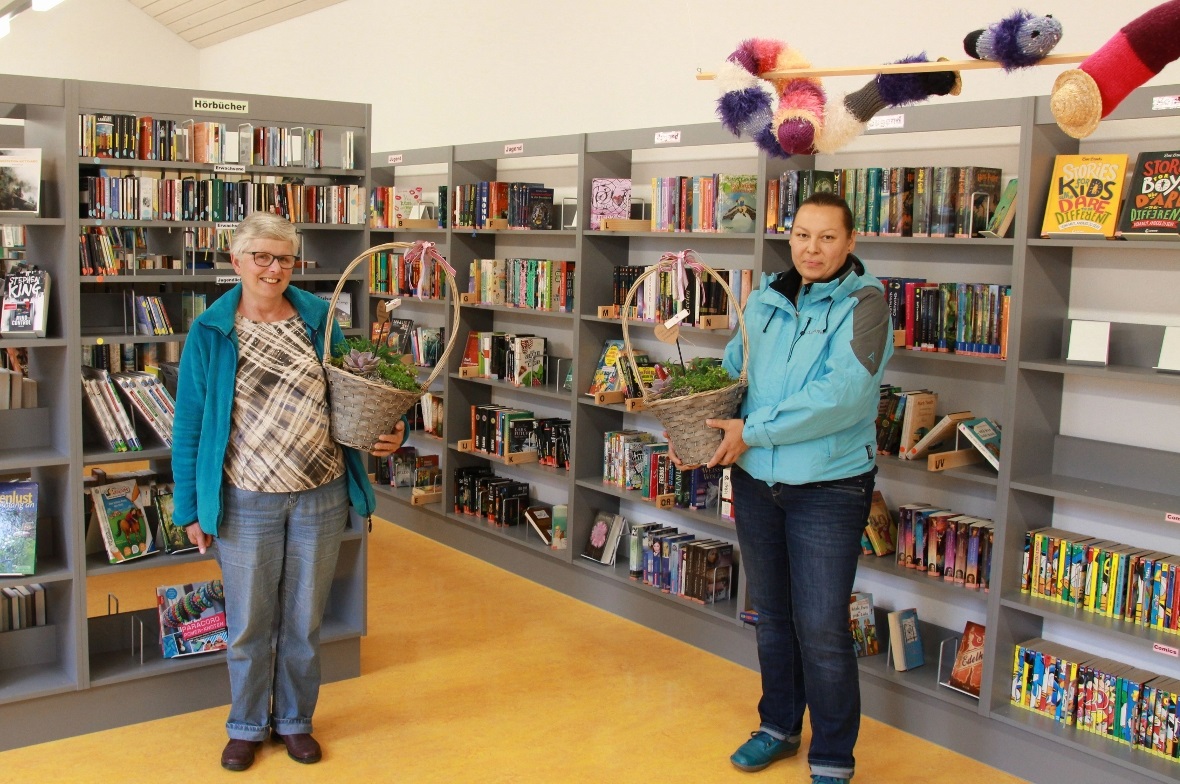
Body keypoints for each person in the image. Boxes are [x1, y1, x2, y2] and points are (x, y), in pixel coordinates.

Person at [172, 211, 405, 772]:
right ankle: (247, 724)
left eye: (285, 258)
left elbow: (358, 391)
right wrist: (189, 508)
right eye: (262, 257)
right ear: (236, 260)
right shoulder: (210, 331)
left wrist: (391, 430)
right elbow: (189, 425)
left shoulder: (320, 319)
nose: (275, 269)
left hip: (319, 494)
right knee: (250, 621)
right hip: (244, 500)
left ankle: (296, 720)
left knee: (304, 619)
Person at [686, 192, 893, 784]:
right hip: (756, 482)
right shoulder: (763, 299)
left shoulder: (866, 305)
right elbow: (733, 372)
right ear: (790, 237)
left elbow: (842, 397)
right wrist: (696, 424)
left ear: (850, 243)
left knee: (823, 626)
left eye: (827, 237)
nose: (812, 248)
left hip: (829, 488)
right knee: (773, 615)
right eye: (803, 234)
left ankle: (833, 753)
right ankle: (778, 727)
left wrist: (753, 430)